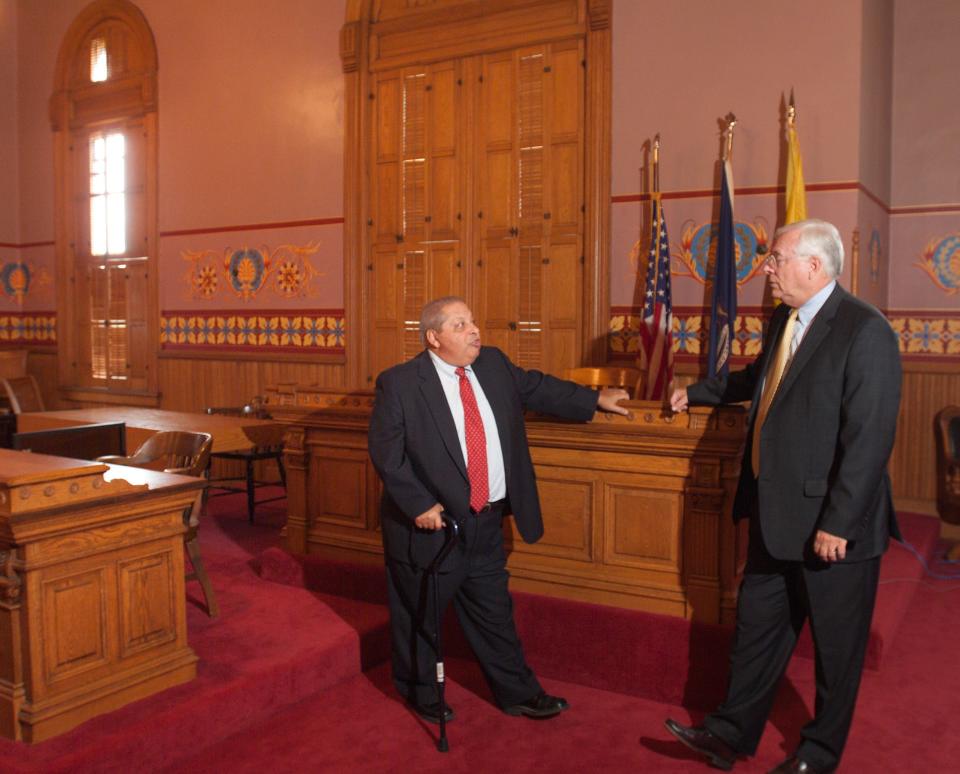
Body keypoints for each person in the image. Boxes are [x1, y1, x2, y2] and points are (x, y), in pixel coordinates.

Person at [663, 219, 901, 774]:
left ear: (813, 266)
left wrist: (839, 522)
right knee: (756, 633)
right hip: (775, 516)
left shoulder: (865, 331)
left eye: (775, 259)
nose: (765, 270)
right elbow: (758, 381)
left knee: (836, 655)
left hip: (834, 527)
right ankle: (727, 736)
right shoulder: (783, 320)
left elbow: (869, 440)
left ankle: (819, 755)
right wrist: (693, 393)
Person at [368, 296, 629, 724]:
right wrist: (418, 504)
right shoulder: (400, 383)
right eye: (460, 325)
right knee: (420, 614)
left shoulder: (492, 364)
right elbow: (387, 453)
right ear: (434, 337)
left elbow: (538, 387)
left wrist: (595, 400)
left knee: (492, 612)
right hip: (433, 528)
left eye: (472, 321)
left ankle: (517, 693)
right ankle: (419, 692)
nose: (474, 330)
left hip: (486, 521)